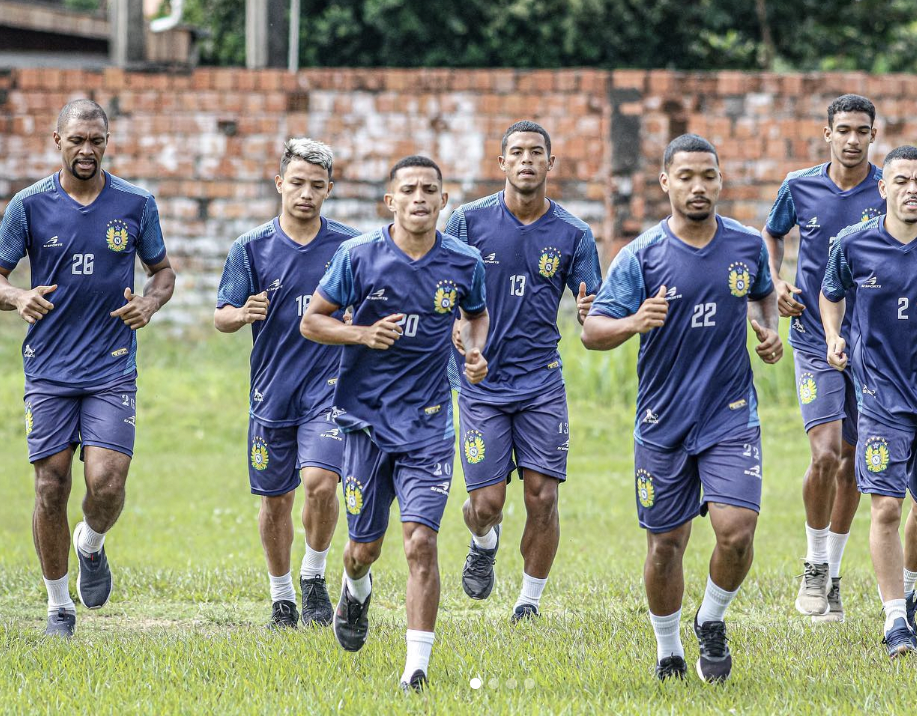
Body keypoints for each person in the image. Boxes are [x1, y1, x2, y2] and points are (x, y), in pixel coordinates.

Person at [582, 134, 782, 682]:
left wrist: (768, 328)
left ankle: (711, 619)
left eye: (709, 176)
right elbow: (593, 332)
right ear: (665, 182)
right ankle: (668, 648)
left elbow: (764, 292)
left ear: (720, 181)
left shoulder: (744, 245)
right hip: (662, 421)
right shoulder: (641, 255)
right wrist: (633, 322)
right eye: (687, 176)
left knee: (737, 531)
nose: (699, 187)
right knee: (666, 545)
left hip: (729, 413)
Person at [0, 99, 175, 637]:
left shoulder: (135, 204)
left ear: (107, 142)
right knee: (50, 486)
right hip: (48, 370)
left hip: (111, 366)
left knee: (106, 483)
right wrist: (18, 298)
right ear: (56, 140)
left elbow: (163, 274)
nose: (86, 150)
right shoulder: (30, 205)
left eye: (97, 140)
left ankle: (91, 542)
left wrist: (150, 304)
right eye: (77, 140)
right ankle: (58, 606)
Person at [300, 155, 489, 691]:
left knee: (420, 545)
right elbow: (312, 320)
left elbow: (475, 314)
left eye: (430, 189)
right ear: (391, 201)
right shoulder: (357, 257)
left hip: (429, 424)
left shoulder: (463, 261)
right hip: (363, 424)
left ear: (444, 201)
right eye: (409, 190)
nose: (420, 198)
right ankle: (354, 592)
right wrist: (361, 335)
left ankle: (416, 670)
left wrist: (474, 350)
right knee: (363, 551)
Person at [820, 145, 917, 658]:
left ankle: (908, 590)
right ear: (883, 188)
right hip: (878, 395)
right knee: (885, 505)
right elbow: (830, 292)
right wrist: (833, 335)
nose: (912, 189)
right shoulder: (853, 243)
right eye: (902, 181)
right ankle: (894, 622)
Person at [444, 120, 601, 621]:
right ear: (502, 163)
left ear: (551, 164)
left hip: (541, 383)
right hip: (480, 381)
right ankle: (483, 542)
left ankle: (528, 604)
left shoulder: (574, 234)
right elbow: (436, 280)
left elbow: (593, 303)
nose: (527, 160)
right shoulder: (468, 223)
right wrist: (451, 323)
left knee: (543, 497)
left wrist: (590, 309)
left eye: (537, 152)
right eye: (518, 152)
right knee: (485, 503)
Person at [215, 138, 359, 628]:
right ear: (279, 183)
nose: (306, 194)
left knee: (321, 484)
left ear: (329, 190)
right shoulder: (250, 248)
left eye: (317, 186)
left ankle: (315, 575)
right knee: (275, 501)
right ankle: (282, 597)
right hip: (272, 392)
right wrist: (241, 314)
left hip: (329, 391)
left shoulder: (350, 248)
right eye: (296, 183)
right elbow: (221, 315)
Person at [763, 94, 884, 622]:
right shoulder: (799, 186)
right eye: (844, 130)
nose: (852, 139)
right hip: (814, 338)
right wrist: (776, 279)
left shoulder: (887, 188)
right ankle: (813, 564)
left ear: (872, 135)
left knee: (855, 464)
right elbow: (771, 234)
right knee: (826, 454)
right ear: (827, 133)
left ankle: (832, 575)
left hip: (873, 346)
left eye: (862, 130)